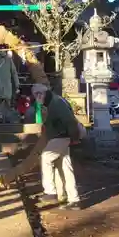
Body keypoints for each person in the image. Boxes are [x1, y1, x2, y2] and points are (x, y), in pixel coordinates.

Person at [31, 83, 81, 211]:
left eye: (36, 95)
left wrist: (74, 137)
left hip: (62, 136)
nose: (36, 98)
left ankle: (50, 191)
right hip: (63, 136)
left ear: (41, 94)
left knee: (46, 157)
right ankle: (72, 199)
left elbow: (69, 120)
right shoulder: (54, 101)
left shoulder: (56, 103)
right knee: (64, 167)